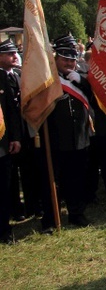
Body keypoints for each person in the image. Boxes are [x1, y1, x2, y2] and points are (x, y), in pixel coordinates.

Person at [39, 34, 95, 229]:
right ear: (56, 59)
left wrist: (81, 80)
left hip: (79, 137)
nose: (69, 63)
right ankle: (51, 217)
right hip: (55, 138)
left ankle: (76, 213)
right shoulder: (47, 79)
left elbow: (94, 97)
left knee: (77, 177)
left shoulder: (80, 77)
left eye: (72, 59)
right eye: (65, 59)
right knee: (53, 179)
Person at [0, 41, 22, 243]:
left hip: (3, 141)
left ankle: (4, 230)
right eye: (9, 53)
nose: (15, 56)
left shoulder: (7, 78)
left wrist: (14, 137)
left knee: (5, 187)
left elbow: (11, 112)